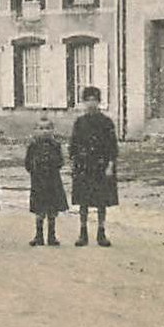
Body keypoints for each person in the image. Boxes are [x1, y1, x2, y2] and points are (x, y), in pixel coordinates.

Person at [69, 86, 118, 247]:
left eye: (94, 100)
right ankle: (83, 232)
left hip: (101, 166)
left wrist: (110, 165)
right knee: (83, 201)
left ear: (99, 102)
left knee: (101, 201)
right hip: (83, 166)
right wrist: (73, 164)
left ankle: (101, 232)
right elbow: (73, 146)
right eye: (87, 100)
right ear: (83, 103)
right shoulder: (80, 122)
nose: (91, 104)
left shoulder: (106, 122)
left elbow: (112, 147)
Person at [24, 114, 68, 246]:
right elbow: (27, 163)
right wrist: (35, 169)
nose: (45, 131)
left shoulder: (55, 146)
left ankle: (51, 236)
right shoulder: (33, 146)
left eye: (48, 128)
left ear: (53, 130)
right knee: (39, 210)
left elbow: (60, 162)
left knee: (52, 210)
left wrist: (52, 165)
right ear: (35, 130)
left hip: (53, 181)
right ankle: (38, 235)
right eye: (41, 128)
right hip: (38, 181)